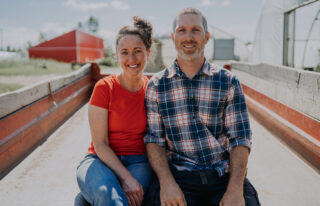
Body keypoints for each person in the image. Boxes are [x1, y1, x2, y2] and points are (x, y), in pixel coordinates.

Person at [143, 8, 260, 206]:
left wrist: (234, 190)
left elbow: (240, 139)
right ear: (173, 37)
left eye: (195, 30)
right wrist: (166, 183)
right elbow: (154, 140)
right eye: (182, 30)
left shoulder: (228, 82)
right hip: (179, 177)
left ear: (206, 37)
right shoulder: (156, 85)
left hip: (223, 176)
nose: (188, 37)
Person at [76, 16, 154, 206]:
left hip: (139, 162)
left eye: (138, 51)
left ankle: (86, 199)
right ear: (117, 56)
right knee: (105, 192)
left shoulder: (153, 89)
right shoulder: (104, 88)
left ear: (148, 53)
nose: (132, 59)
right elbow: (100, 144)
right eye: (124, 52)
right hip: (99, 159)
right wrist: (126, 179)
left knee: (123, 199)